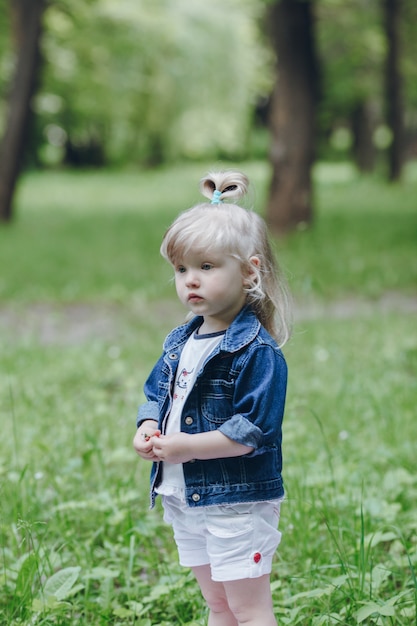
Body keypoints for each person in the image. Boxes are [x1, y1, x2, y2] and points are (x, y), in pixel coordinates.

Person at [133, 170, 291, 626]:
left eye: (206, 267)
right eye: (181, 270)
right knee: (218, 605)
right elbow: (154, 394)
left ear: (249, 271)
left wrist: (184, 447)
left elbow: (251, 432)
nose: (190, 281)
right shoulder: (180, 340)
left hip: (236, 503)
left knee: (248, 607)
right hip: (186, 495)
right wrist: (148, 427)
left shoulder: (257, 352)